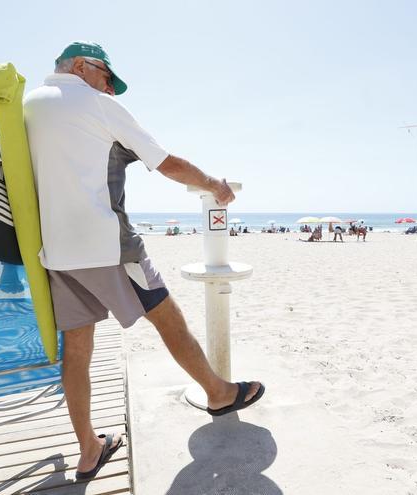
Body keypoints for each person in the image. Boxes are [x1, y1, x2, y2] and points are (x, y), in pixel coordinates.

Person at [23, 41, 264, 481]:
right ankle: (218, 392)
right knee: (167, 317)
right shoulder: (95, 104)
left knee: (76, 351)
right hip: (107, 246)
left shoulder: (29, 106)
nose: (111, 89)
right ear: (81, 66)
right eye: (106, 77)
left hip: (54, 253)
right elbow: (165, 162)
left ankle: (88, 450)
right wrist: (215, 184)